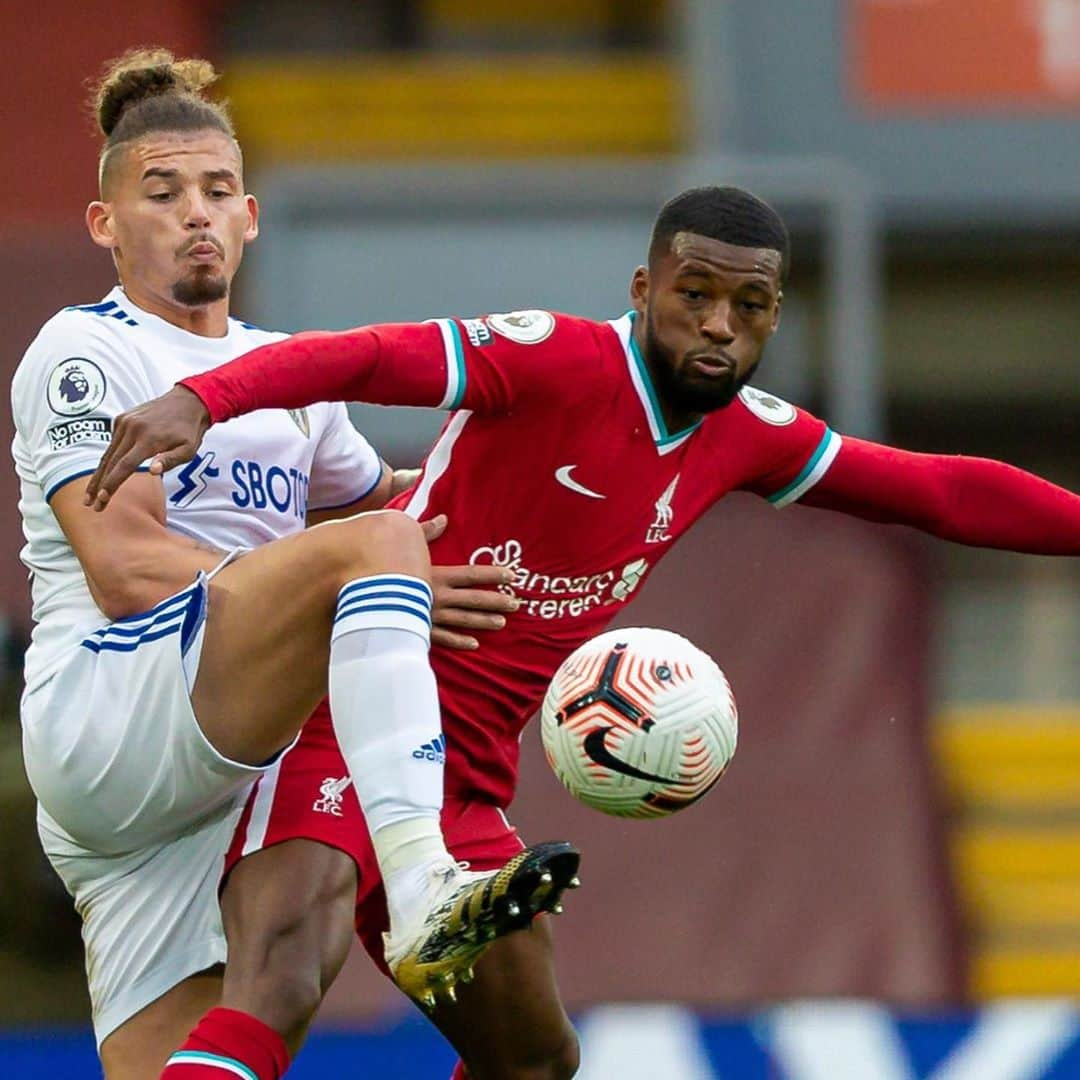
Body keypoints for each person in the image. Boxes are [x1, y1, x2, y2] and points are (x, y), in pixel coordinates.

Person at [88, 181, 1080, 1079]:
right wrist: (201, 398)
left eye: (751, 307)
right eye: (697, 294)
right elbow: (371, 356)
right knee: (283, 975)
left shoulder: (745, 436)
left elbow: (940, 491)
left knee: (533, 1061)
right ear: (644, 288)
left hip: (465, 783)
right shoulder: (555, 359)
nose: (720, 327)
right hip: (343, 721)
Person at [11, 49, 579, 1080]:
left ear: (251, 216)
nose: (196, 214)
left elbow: (394, 504)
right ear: (106, 226)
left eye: (217, 191)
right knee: (375, 551)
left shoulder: (290, 381)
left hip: (217, 764)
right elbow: (126, 566)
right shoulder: (87, 350)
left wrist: (548, 481)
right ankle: (420, 884)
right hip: (118, 706)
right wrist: (363, 577)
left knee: (214, 1059)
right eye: (163, 192)